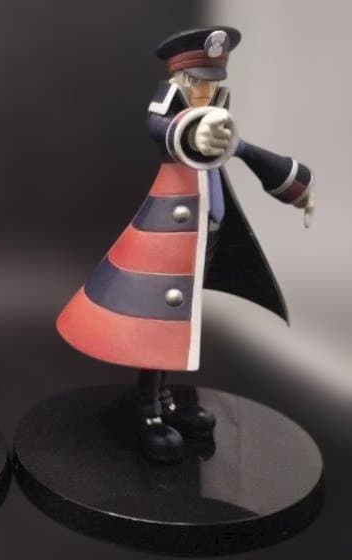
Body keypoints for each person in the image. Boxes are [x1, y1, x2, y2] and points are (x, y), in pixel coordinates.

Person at [56, 27, 314, 462]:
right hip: (168, 239)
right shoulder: (174, 107)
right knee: (160, 328)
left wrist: (296, 187)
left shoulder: (218, 109)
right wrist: (192, 131)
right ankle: (150, 410)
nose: (204, 90)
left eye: (210, 82)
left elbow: (246, 152)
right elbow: (159, 127)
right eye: (196, 81)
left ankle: (167, 401)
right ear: (179, 78)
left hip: (205, 236)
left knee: (181, 327)